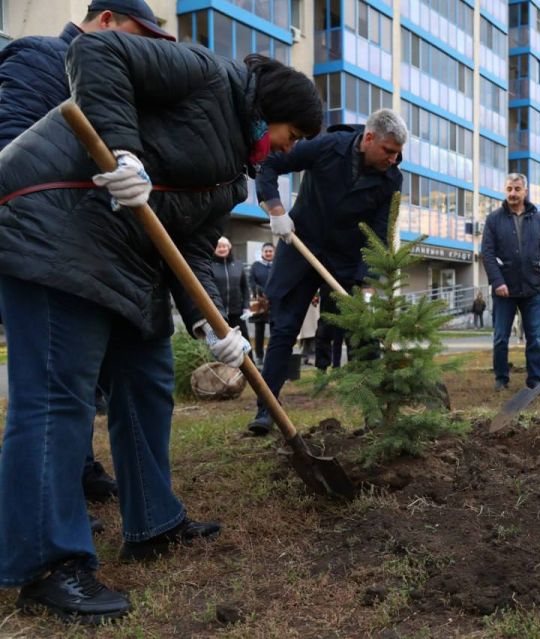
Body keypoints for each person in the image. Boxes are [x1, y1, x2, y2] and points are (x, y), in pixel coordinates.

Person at [0, 24, 323, 623]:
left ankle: (152, 521)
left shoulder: (234, 174)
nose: (285, 149)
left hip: (122, 255)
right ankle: (47, 565)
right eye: (291, 134)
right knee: (56, 397)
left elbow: (192, 245)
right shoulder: (208, 75)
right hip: (52, 219)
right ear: (274, 107)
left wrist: (215, 325)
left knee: (147, 380)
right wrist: (125, 151)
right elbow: (95, 50)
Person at [0, 0, 173, 532]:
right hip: (48, 251)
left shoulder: (123, 86)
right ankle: (44, 543)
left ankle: (80, 476)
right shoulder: (40, 59)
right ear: (103, 22)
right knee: (56, 392)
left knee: (107, 382)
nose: (140, 49)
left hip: (104, 256)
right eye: (134, 33)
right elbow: (11, 151)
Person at [246, 109, 406, 435]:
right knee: (284, 329)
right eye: (388, 151)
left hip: (344, 261)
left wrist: (368, 283)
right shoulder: (328, 146)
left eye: (398, 153)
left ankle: (373, 415)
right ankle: (266, 409)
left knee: (361, 335)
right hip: (301, 248)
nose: (393, 159)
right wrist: (276, 211)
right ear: (369, 138)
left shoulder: (391, 179)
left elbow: (378, 233)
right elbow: (270, 165)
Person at [481, 173, 540, 391]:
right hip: (504, 290)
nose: (512, 193)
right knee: (500, 339)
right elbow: (487, 253)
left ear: (525, 191)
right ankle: (501, 379)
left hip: (533, 289)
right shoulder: (493, 219)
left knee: (535, 339)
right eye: (509, 189)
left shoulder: (538, 219)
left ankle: (535, 382)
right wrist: (497, 282)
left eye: (516, 189)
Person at [211, 237, 250, 342]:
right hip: (216, 312)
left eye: (224, 246)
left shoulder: (238, 265)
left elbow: (245, 288)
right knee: (216, 342)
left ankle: (249, 359)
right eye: (219, 246)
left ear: (229, 247)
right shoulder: (209, 265)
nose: (222, 249)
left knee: (244, 341)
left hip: (237, 313)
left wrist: (246, 307)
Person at [249, 242, 274, 364]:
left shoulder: (278, 265)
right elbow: (252, 282)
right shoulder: (255, 266)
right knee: (259, 330)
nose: (268, 253)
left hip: (275, 302)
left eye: (270, 251)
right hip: (260, 303)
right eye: (266, 251)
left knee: (275, 329)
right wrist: (260, 292)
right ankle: (259, 355)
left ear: (274, 252)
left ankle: (273, 354)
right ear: (262, 252)